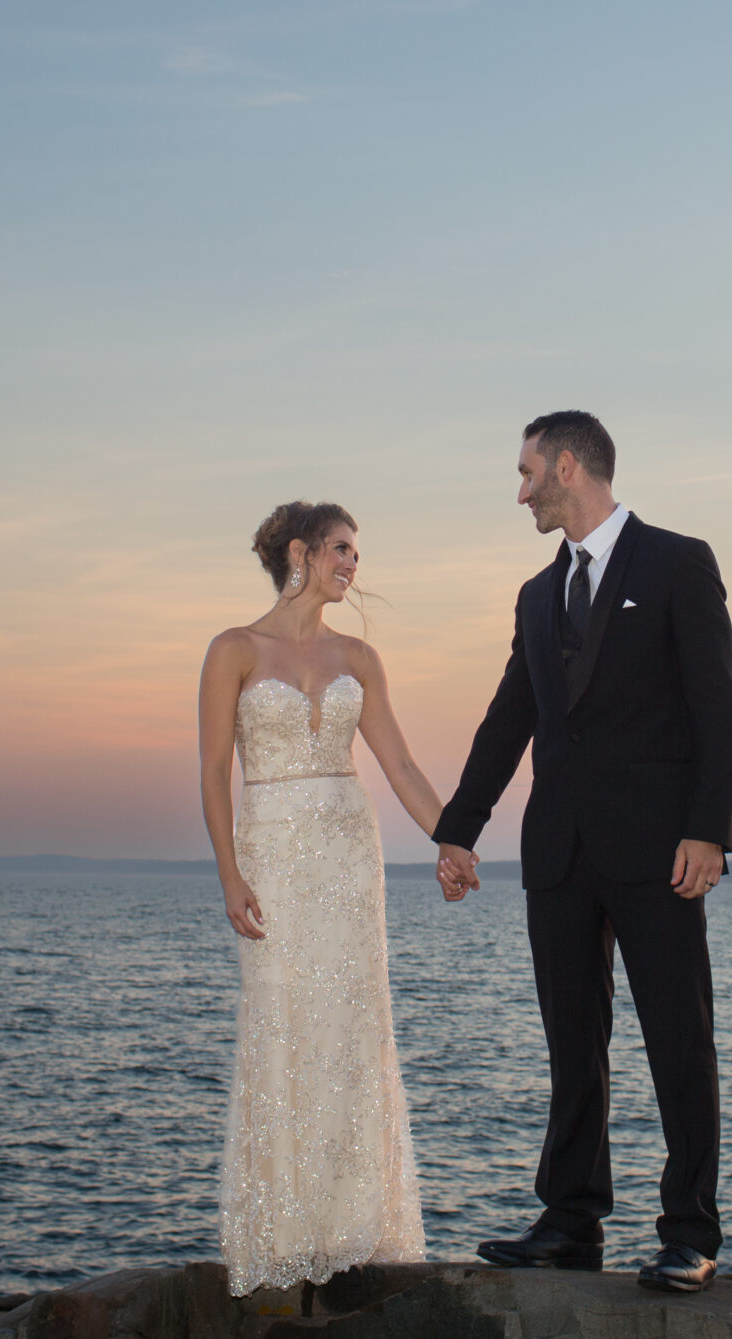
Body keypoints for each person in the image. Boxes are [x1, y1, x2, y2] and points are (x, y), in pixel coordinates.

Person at [432, 411, 732, 1294]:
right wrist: (460, 825)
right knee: (574, 1044)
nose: (521, 489)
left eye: (528, 471)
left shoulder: (679, 561)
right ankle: (571, 1221)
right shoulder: (537, 594)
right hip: (558, 854)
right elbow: (509, 718)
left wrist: (709, 828)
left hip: (661, 852)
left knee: (679, 1040)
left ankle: (690, 1232)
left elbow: (717, 704)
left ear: (569, 465)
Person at [199, 500, 444, 1295]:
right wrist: (232, 875)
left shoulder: (360, 658)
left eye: (356, 553)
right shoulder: (232, 649)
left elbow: (402, 768)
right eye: (341, 549)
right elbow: (211, 775)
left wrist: (455, 837)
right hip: (270, 852)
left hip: (347, 856)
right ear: (300, 552)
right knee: (282, 1022)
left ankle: (355, 1227)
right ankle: (283, 1233)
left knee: (350, 1024)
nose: (352, 563)